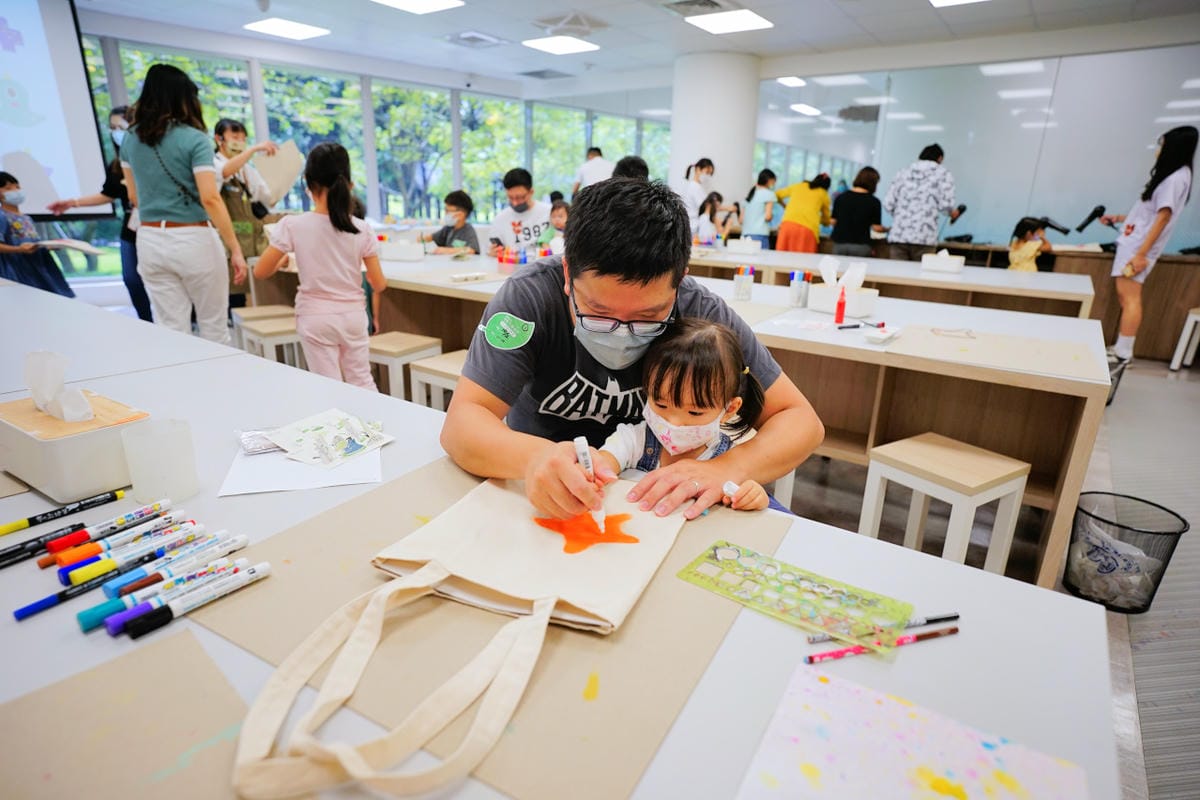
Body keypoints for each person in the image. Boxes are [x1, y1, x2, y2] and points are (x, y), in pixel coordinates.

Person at [440, 178, 824, 521]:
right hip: (550, 499)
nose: (622, 333)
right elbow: (462, 425)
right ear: (567, 273)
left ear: (680, 280)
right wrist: (533, 458)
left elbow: (800, 421)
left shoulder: (701, 312)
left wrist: (729, 467)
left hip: (667, 508)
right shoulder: (529, 299)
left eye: (648, 316)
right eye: (599, 312)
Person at [120, 63, 246, 344]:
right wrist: (235, 248)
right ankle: (222, 386)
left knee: (171, 330)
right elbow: (210, 197)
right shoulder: (194, 139)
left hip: (150, 238)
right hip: (193, 237)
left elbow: (134, 197)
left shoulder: (130, 138)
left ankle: (182, 387)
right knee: (214, 327)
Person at [595, 318, 774, 512]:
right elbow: (604, 462)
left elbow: (750, 499)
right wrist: (592, 469)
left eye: (694, 412)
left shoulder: (730, 460)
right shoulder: (634, 440)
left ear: (729, 409)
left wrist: (753, 497)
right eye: (661, 404)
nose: (674, 422)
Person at [252, 143, 385, 390]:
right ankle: (373, 428)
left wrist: (283, 260)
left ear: (308, 184)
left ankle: (337, 430)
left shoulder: (292, 225)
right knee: (362, 380)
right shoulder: (362, 228)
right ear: (349, 185)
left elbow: (260, 271)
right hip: (353, 317)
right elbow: (379, 284)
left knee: (328, 386)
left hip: (315, 317)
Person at [1101, 125, 1197, 363]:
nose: (1158, 150)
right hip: (1133, 243)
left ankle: (1124, 351)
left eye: (1162, 145)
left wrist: (1141, 254)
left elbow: (1163, 217)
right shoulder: (1176, 176)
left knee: (1130, 297)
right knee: (1126, 297)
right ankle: (1121, 347)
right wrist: (1120, 218)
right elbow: (1149, 214)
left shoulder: (1175, 178)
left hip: (1137, 249)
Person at [47, 106, 150, 319]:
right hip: (131, 230)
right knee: (131, 279)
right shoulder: (116, 165)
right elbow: (107, 195)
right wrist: (72, 203)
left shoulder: (151, 156)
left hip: (156, 228)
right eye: (112, 128)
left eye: (120, 126)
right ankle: (146, 321)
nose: (116, 132)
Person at [213, 118, 277, 311]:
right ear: (218, 139)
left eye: (243, 139)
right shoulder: (212, 163)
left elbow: (268, 198)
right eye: (234, 137)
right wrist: (253, 150)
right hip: (223, 240)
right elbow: (224, 171)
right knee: (226, 292)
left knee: (247, 292)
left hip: (248, 239)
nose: (239, 143)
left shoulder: (248, 170)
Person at [0, 172, 75, 296]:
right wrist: (18, 249)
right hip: (17, 271)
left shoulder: (26, 218)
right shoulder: (2, 216)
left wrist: (50, 245)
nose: (15, 191)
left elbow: (33, 243)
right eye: (8, 188)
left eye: (17, 187)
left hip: (38, 269)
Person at [883, 144, 960, 261]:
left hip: (899, 235)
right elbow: (946, 205)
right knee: (920, 277)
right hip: (925, 237)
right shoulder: (943, 174)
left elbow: (888, 203)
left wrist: (902, 216)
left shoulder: (904, 172)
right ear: (940, 158)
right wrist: (952, 213)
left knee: (897, 276)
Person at [487, 168, 551, 256]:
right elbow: (492, 251)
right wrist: (493, 252)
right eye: (510, 197)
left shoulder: (550, 213)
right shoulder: (500, 219)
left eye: (520, 197)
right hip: (512, 267)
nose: (515, 203)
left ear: (531, 192)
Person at [830, 167, 886, 258]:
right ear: (873, 183)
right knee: (858, 272)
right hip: (861, 246)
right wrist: (888, 229)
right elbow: (877, 228)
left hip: (839, 244)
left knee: (838, 271)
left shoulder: (841, 197)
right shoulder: (874, 201)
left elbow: (832, 221)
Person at [774, 173, 831, 253]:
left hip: (787, 226)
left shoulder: (799, 186)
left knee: (782, 259)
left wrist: (784, 206)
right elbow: (826, 220)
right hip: (807, 230)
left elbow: (776, 195)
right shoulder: (823, 194)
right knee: (804, 262)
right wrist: (819, 219)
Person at [419, 190, 480, 255]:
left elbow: (472, 250)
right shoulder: (448, 229)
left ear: (461, 214)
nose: (446, 214)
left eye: (448, 211)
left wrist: (445, 250)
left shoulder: (468, 230)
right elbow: (430, 238)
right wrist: (422, 239)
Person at [741, 169, 776, 249]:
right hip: (760, 235)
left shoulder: (749, 196)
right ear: (769, 181)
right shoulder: (769, 194)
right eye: (773, 182)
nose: (773, 185)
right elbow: (768, 217)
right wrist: (772, 216)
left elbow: (741, 220)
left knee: (747, 261)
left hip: (745, 235)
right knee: (761, 261)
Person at [679, 157, 715, 226]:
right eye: (707, 172)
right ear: (698, 169)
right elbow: (706, 207)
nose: (708, 176)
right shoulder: (694, 187)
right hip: (693, 226)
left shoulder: (697, 187)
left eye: (710, 174)